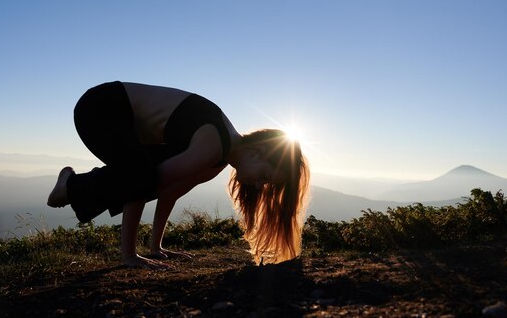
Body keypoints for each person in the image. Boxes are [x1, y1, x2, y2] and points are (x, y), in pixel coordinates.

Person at [48, 81, 310, 269]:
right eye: (265, 176)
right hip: (101, 107)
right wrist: (129, 255)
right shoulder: (214, 145)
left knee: (143, 174)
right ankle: (71, 185)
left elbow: (169, 193)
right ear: (259, 150)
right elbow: (142, 183)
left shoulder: (217, 160)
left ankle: (71, 185)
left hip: (122, 122)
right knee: (141, 174)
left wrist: (156, 248)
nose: (261, 185)